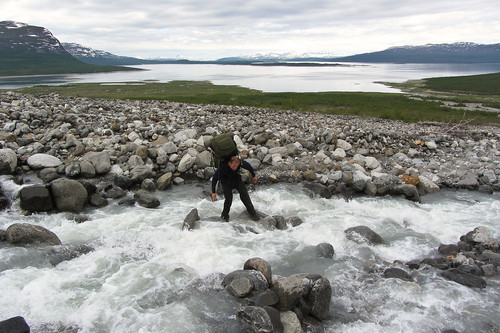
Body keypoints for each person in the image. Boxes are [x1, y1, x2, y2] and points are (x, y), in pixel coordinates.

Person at [211, 153, 259, 221]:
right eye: (234, 166)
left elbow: (248, 166)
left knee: (244, 193)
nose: (235, 168)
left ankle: (252, 213)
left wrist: (254, 176)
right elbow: (214, 179)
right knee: (229, 198)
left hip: (235, 178)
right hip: (225, 180)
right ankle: (225, 216)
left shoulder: (238, 162)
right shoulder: (222, 168)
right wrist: (213, 192)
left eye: (237, 166)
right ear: (229, 163)